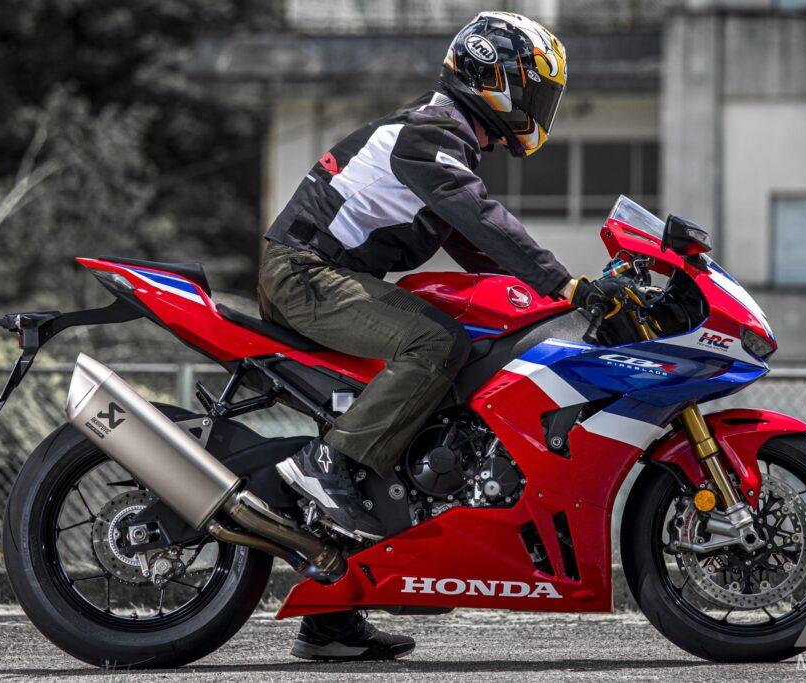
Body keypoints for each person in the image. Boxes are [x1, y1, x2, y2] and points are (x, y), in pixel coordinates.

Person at [259, 11, 613, 661]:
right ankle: (327, 465)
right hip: (304, 274)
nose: (539, 107)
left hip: (323, 277)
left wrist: (559, 301)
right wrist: (565, 283)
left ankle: (331, 620)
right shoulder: (431, 133)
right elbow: (479, 216)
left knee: (447, 367)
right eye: (534, 90)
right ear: (495, 77)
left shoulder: (446, 142)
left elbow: (476, 244)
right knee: (436, 344)